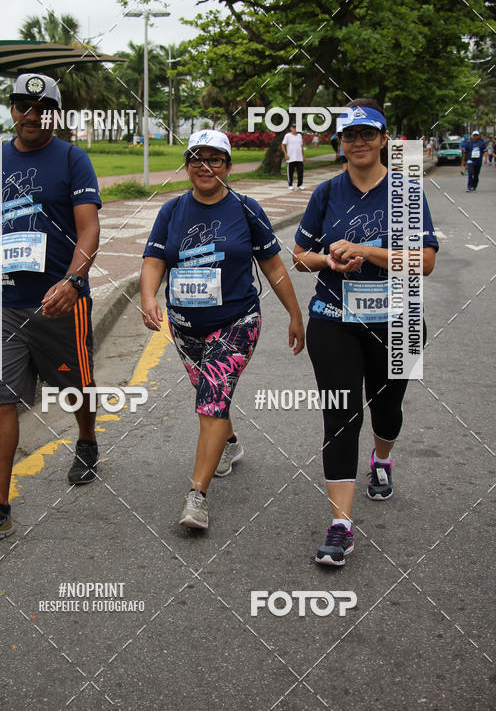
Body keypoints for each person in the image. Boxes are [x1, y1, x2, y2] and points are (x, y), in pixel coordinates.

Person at [0, 73, 102, 543]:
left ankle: (87, 439)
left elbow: (89, 228)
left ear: (53, 113)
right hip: (4, 304)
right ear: (12, 109)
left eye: (41, 107)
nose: (31, 114)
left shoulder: (74, 159)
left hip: (59, 302)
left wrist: (74, 280)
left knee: (75, 387)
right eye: (22, 105)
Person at [292, 100, 438, 566]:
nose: (357, 143)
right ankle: (340, 526)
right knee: (340, 417)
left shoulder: (407, 191)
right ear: (340, 143)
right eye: (349, 136)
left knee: (388, 408)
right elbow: (299, 254)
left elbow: (426, 262)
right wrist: (328, 260)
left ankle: (382, 459)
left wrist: (367, 252)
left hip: (400, 319)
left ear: (383, 140)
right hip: (333, 318)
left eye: (366, 134)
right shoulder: (326, 192)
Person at [140, 129, 305, 530]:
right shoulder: (172, 210)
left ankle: (197, 496)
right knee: (210, 395)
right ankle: (230, 444)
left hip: (237, 322)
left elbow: (274, 267)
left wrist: (295, 314)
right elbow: (153, 260)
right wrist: (148, 297)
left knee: (211, 399)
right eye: (197, 158)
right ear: (187, 165)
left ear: (228, 167)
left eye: (215, 160)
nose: (205, 167)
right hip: (185, 327)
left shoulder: (246, 209)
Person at [281, 122, 305, 189]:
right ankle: (290, 185)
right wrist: (285, 154)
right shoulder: (287, 135)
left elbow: (302, 146)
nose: (295, 129)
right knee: (290, 172)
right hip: (291, 157)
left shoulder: (299, 136)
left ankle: (300, 184)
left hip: (299, 157)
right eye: (293, 127)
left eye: (296, 128)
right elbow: (283, 145)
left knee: (300, 172)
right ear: (291, 128)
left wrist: (303, 156)